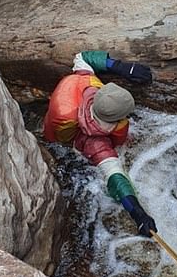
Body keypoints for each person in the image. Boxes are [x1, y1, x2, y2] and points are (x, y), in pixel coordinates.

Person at [43, 50, 158, 237]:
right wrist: (136, 212)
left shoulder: (86, 85)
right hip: (70, 142)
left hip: (57, 114)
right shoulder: (94, 141)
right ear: (112, 121)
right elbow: (114, 175)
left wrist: (122, 68)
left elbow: (82, 57)